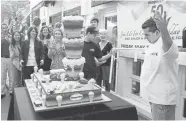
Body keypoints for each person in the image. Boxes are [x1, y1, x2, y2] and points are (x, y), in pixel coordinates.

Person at [140, 11, 179, 120]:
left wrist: (164, 30)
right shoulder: (151, 45)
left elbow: (170, 49)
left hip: (162, 100)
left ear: (157, 32)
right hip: (153, 98)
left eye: (147, 35)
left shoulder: (165, 44)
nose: (145, 37)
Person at [1, 23, 14, 98]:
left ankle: (11, 90)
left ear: (7, 29)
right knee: (2, 76)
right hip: (2, 58)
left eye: (5, 28)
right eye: (3, 28)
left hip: (10, 58)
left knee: (11, 75)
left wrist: (8, 38)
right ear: (1, 29)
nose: (4, 29)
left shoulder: (10, 37)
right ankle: (2, 92)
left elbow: (12, 44)